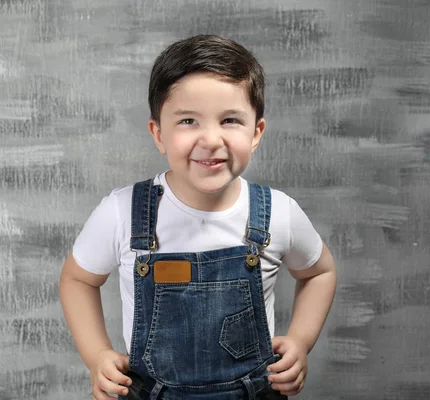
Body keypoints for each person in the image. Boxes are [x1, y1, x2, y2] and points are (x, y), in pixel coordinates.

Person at [59, 34, 337, 400]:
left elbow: (320, 272)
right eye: (189, 120)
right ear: (158, 134)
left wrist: (301, 340)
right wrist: (97, 356)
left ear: (256, 133)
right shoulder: (122, 212)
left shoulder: (278, 213)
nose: (211, 139)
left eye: (230, 120)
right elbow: (77, 280)